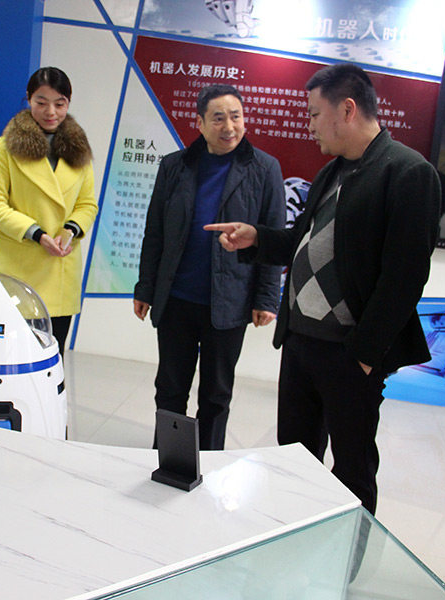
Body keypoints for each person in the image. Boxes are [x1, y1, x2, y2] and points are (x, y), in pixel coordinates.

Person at [205, 63, 440, 513]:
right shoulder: (333, 171)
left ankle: (347, 553)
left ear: (347, 110)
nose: (309, 125)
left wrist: (364, 357)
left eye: (314, 114)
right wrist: (257, 237)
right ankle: (295, 535)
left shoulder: (408, 172)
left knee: (351, 469)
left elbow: (404, 278)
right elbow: (303, 241)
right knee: (293, 460)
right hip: (301, 343)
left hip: (349, 352)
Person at [133, 84, 284, 451]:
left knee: (216, 394)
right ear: (199, 123)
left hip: (229, 302)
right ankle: (168, 458)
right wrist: (145, 287)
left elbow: (273, 235)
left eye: (236, 117)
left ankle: (209, 462)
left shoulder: (264, 169)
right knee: (170, 389)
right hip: (177, 298)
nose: (229, 127)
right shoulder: (175, 166)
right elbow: (155, 231)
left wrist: (266, 298)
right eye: (218, 118)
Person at [0, 67, 98, 355]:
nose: (51, 112)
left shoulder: (79, 149)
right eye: (41, 102)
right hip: (21, 268)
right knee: (15, 358)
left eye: (59, 103)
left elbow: (87, 203)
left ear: (68, 103)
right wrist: (36, 234)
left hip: (61, 268)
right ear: (29, 99)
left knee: (52, 358)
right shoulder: (5, 148)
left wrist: (71, 230)